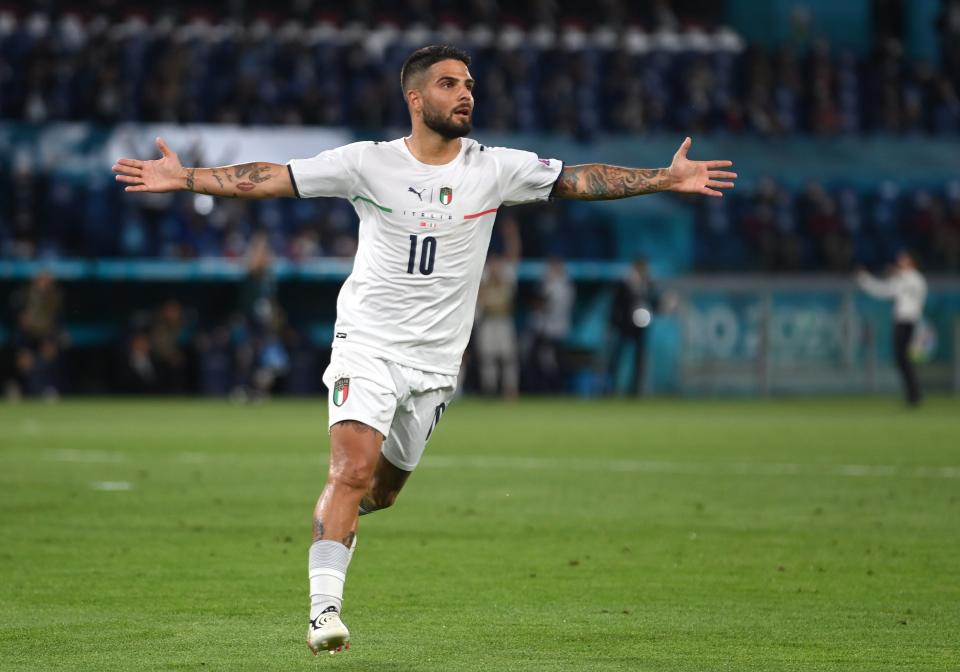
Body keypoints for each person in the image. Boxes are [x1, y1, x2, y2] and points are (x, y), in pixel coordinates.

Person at [112, 44, 737, 655]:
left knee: (380, 491)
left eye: (468, 84)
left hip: (437, 364)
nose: (465, 93)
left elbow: (578, 180)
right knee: (350, 471)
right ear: (415, 98)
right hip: (368, 343)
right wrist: (185, 177)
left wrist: (664, 177)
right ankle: (323, 610)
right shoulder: (368, 163)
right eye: (448, 83)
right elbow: (272, 178)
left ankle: (341, 523)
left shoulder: (495, 168)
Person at [856, 250, 928, 405]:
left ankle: (914, 394)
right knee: (902, 358)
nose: (899, 262)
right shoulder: (912, 278)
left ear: (911, 262)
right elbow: (886, 290)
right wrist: (867, 280)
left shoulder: (909, 278)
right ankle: (913, 394)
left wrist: (867, 280)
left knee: (903, 358)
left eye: (903, 260)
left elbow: (888, 290)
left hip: (906, 320)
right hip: (907, 320)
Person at [475, 216, 521, 398]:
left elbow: (514, 255)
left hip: (503, 319)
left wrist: (512, 235)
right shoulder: (484, 274)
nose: (495, 263)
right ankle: (489, 390)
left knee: (508, 357)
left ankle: (510, 390)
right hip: (488, 319)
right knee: (487, 357)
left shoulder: (507, 272)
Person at [608, 258, 660, 395]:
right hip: (624, 326)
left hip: (641, 328)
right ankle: (610, 388)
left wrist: (661, 305)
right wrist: (614, 323)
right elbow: (616, 305)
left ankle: (635, 390)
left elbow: (653, 302)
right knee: (617, 358)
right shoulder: (624, 282)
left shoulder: (647, 284)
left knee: (639, 359)